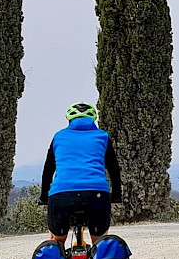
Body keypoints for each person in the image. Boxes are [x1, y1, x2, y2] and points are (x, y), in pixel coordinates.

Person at [39, 102, 121, 246]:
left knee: (56, 242)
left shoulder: (59, 137)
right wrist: (116, 197)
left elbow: (48, 171)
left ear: (69, 120)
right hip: (97, 195)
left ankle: (56, 255)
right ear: (93, 119)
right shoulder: (103, 136)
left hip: (62, 196)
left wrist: (44, 198)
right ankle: (99, 256)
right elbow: (114, 170)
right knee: (100, 244)